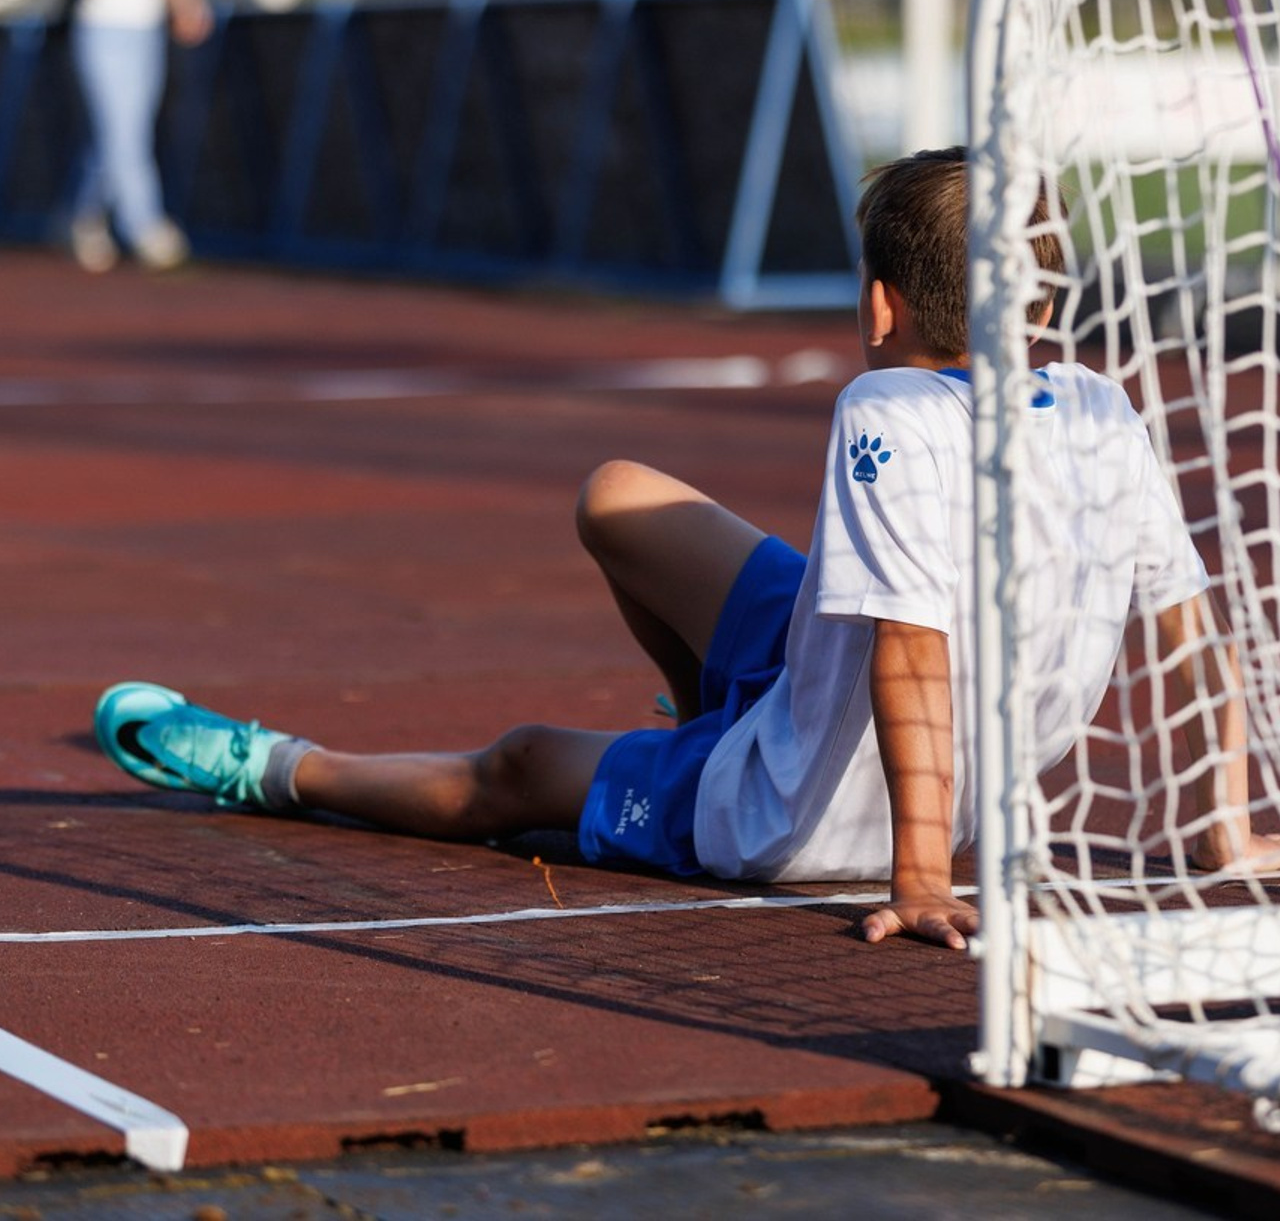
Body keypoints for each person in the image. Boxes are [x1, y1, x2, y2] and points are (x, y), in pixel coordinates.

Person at [93, 147, 1280, 949]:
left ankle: (281, 764)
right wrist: (1221, 821)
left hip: (801, 816)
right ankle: (700, 707)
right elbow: (1188, 625)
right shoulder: (1100, 405)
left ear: (879, 309)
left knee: (513, 770)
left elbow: (913, 651)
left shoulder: (887, 409)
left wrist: (918, 874)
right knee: (618, 496)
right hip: (832, 683)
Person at [61, 0, 213, 273]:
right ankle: (146, 227)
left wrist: (189, 5)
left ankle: (86, 217)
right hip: (102, 31)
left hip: (148, 33)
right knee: (122, 132)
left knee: (123, 134)